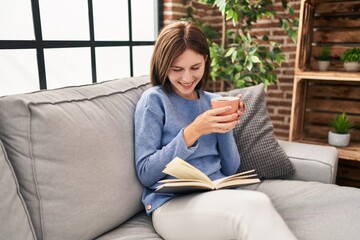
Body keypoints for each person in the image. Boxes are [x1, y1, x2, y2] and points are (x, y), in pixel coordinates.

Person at [134, 21, 297, 240]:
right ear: (163, 65)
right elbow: (146, 173)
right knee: (255, 205)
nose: (187, 78)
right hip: (171, 204)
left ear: (205, 61)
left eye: (195, 68)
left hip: (217, 194)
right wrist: (192, 132)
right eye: (177, 69)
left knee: (258, 204)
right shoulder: (154, 100)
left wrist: (226, 126)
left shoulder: (214, 101)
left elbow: (230, 169)